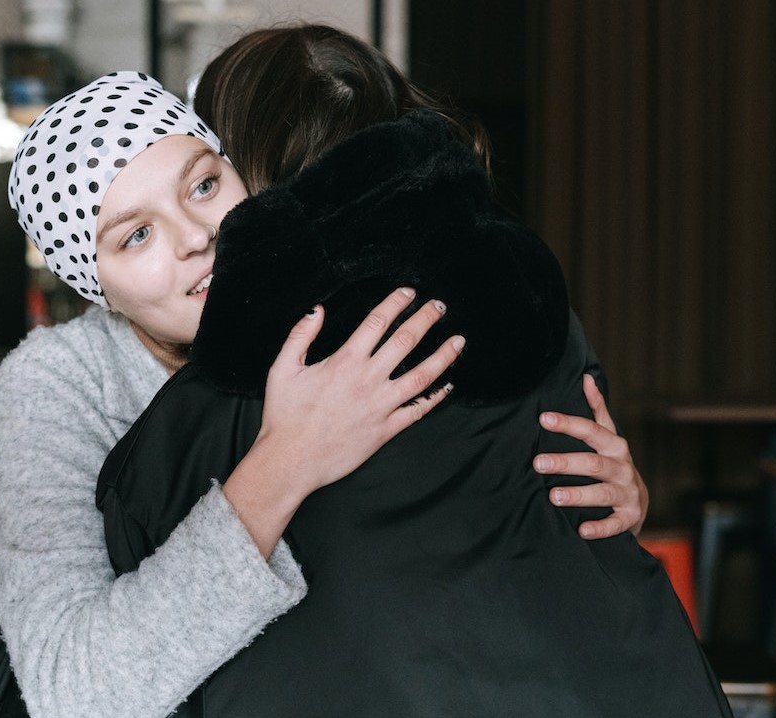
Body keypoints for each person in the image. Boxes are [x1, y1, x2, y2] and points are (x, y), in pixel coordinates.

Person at [93, 25, 732, 716]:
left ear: (247, 179)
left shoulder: (205, 412)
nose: (196, 235)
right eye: (138, 233)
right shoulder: (529, 296)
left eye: (207, 183)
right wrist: (624, 493)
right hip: (639, 681)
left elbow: (84, 671)